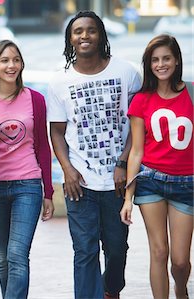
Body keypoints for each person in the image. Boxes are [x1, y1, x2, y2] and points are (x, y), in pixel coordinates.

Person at [46, 10, 142, 299]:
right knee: (84, 251)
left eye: (91, 30)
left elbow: (139, 126)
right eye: (78, 31)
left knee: (116, 250)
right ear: (70, 39)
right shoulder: (59, 82)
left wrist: (124, 163)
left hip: (117, 182)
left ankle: (111, 290)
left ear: (101, 35)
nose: (84, 36)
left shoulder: (126, 73)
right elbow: (57, 132)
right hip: (81, 184)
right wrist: (67, 169)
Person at [0, 39, 54, 299]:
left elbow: (43, 146)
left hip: (27, 185)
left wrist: (48, 192)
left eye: (16, 60)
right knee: (2, 258)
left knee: (17, 255)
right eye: (5, 60)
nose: (11, 66)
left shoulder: (35, 99)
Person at [120, 34, 193, 299]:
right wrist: (128, 197)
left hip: (187, 183)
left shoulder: (192, 93)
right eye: (155, 60)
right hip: (151, 181)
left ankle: (181, 289)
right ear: (149, 64)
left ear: (176, 61)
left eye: (166, 59)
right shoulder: (142, 100)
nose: (161, 64)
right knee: (159, 251)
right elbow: (136, 151)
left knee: (181, 261)